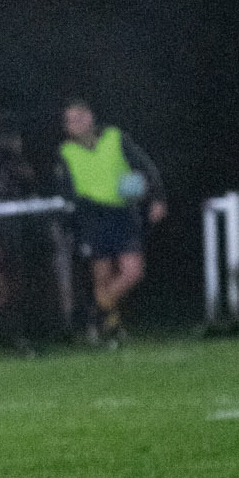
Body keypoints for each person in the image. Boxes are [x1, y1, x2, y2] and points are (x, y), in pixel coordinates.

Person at [54, 100, 166, 346]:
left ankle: (96, 313)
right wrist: (70, 221)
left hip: (123, 212)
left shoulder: (115, 138)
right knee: (102, 277)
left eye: (81, 117)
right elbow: (66, 192)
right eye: (71, 120)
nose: (78, 123)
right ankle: (110, 327)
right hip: (92, 217)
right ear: (66, 127)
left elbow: (143, 166)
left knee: (132, 273)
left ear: (91, 117)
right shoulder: (66, 153)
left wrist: (156, 196)